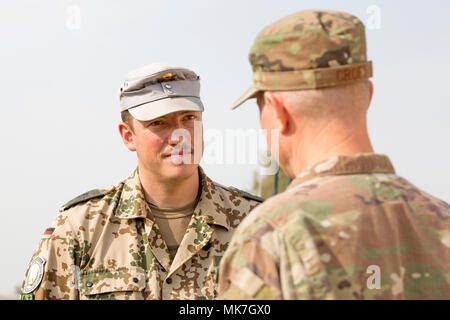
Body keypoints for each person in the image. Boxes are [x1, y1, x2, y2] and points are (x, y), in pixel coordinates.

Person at [218, 9, 450, 299]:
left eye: (260, 108)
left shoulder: (273, 234)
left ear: (278, 112)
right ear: (368, 95)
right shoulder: (442, 220)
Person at [20, 63, 262, 300]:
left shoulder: (257, 223)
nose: (179, 135)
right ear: (128, 136)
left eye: (189, 118)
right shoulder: (80, 228)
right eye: (158, 123)